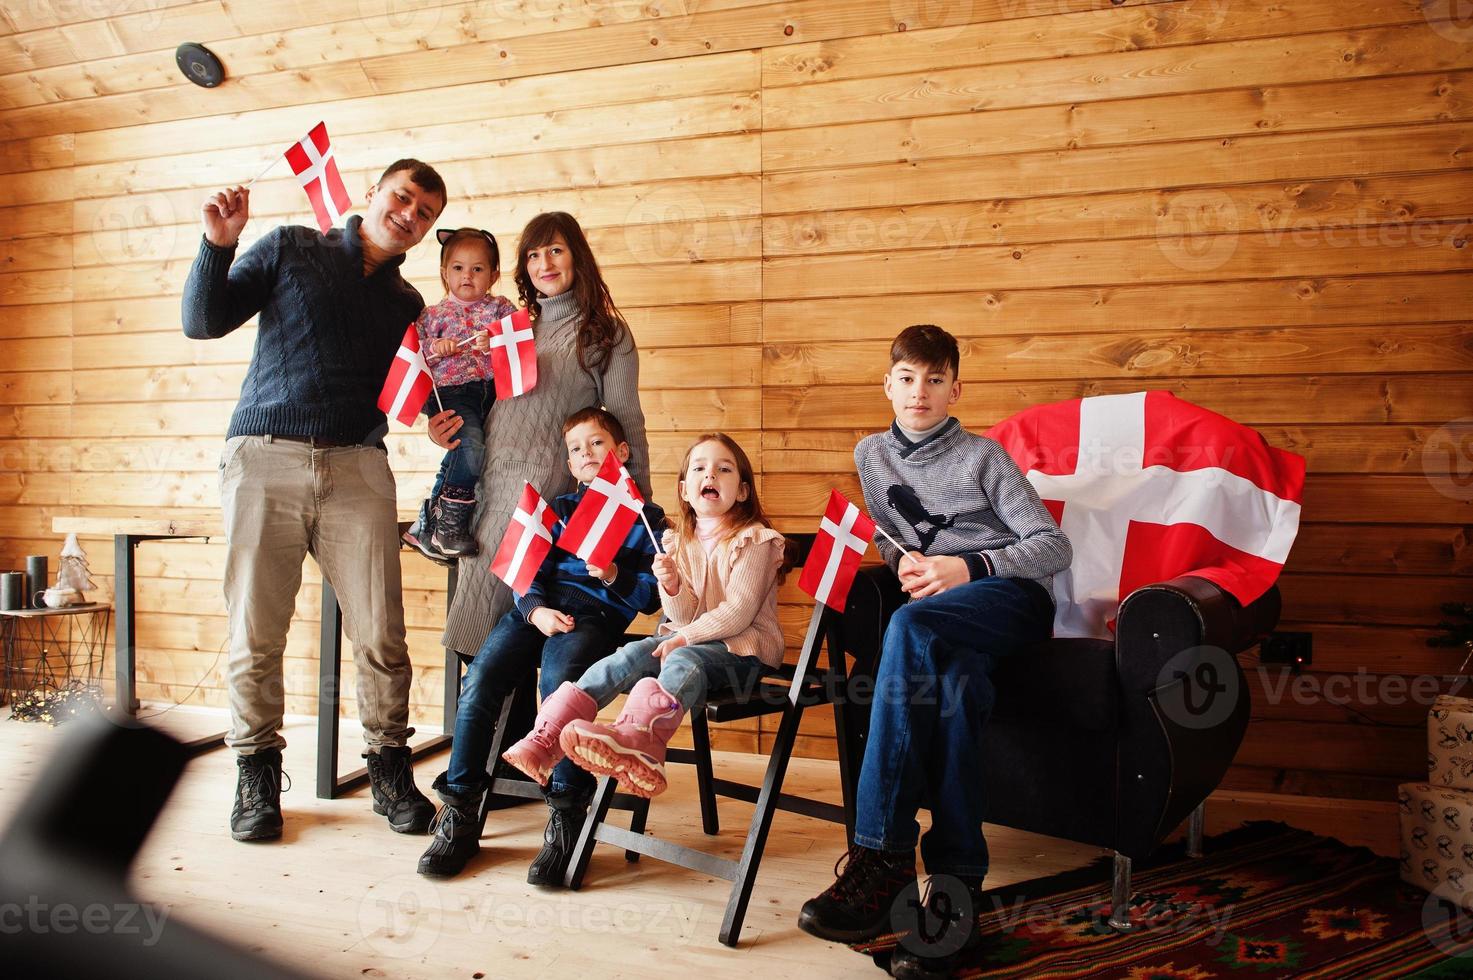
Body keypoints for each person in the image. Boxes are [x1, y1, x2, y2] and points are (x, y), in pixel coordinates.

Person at [182, 160, 448, 843]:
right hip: (262, 457)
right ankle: (256, 775)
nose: (409, 214)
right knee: (255, 635)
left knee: (381, 634)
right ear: (372, 195)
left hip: (359, 467)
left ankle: (389, 770)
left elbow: (416, 398)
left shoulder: (408, 307)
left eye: (424, 212)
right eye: (402, 198)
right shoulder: (290, 247)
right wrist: (219, 245)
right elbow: (203, 322)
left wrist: (445, 423)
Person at [796, 324, 1073, 978]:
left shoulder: (985, 457)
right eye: (907, 378)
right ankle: (956, 889)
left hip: (1007, 601)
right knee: (955, 692)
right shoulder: (871, 454)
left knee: (910, 630)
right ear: (887, 384)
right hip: (941, 612)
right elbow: (893, 538)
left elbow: (1053, 548)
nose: (919, 391)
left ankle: (882, 857)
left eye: (934, 379)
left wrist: (966, 568)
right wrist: (909, 566)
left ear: (955, 389)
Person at [417, 407, 663, 883]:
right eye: (576, 449)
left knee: (560, 687)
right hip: (537, 610)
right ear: (569, 465)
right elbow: (526, 569)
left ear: (622, 453)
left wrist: (614, 575)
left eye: (596, 443)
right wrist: (534, 610)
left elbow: (652, 598)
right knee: (480, 682)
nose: (587, 454)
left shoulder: (646, 520)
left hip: (594, 618)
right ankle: (461, 809)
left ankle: (568, 812)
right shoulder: (559, 510)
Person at [501, 432, 789, 802]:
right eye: (700, 469)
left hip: (743, 652)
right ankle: (548, 736)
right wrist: (671, 588)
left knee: (683, 655)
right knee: (626, 658)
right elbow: (681, 615)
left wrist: (683, 637)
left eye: (724, 469)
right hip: (684, 643)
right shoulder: (676, 542)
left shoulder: (756, 541)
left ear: (743, 491)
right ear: (685, 491)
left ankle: (642, 740)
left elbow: (737, 613)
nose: (710, 476)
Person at [429, 211, 651, 668]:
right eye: (533, 254)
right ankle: (499, 742)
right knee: (480, 644)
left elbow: (626, 423)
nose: (544, 263)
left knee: (528, 635)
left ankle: (536, 739)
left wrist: (637, 509)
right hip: (490, 491)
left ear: (577, 257)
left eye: (555, 250)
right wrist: (439, 424)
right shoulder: (512, 326)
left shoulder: (605, 332)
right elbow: (470, 394)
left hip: (548, 498)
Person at [400, 227, 518, 560]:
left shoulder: (499, 309)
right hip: (452, 391)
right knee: (470, 444)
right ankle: (450, 526)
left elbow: (516, 339)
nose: (467, 275)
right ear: (444, 274)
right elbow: (416, 352)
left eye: (477, 269)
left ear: (493, 275)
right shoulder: (432, 316)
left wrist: (494, 340)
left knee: (460, 451)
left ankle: (425, 526)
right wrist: (437, 347)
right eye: (458, 268)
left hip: (491, 391)